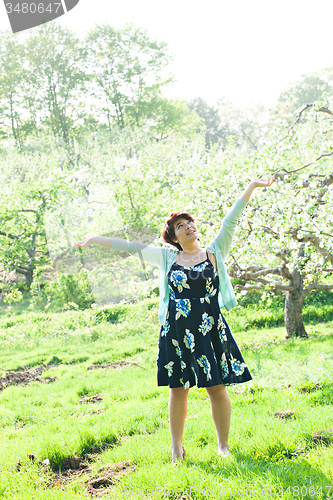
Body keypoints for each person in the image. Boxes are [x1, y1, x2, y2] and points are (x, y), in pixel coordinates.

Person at [74, 178, 273, 463]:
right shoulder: (167, 258)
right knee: (178, 388)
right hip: (177, 328)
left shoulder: (214, 253)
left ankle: (223, 446)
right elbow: (131, 247)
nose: (188, 227)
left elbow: (231, 219)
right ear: (173, 236)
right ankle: (176, 448)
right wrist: (95, 238)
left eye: (190, 222)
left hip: (208, 326)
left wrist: (252, 187)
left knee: (215, 386)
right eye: (181, 226)